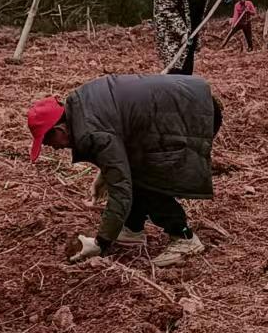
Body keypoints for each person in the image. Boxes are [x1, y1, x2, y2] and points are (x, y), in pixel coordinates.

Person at [27, 74, 222, 268]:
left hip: (192, 113)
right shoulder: (80, 106)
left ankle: (184, 237)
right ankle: (132, 227)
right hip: (185, 105)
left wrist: (101, 243)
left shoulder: (91, 131)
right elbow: (120, 140)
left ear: (59, 130)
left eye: (48, 142)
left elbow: (121, 188)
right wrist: (105, 174)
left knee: (147, 178)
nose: (54, 148)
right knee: (136, 169)